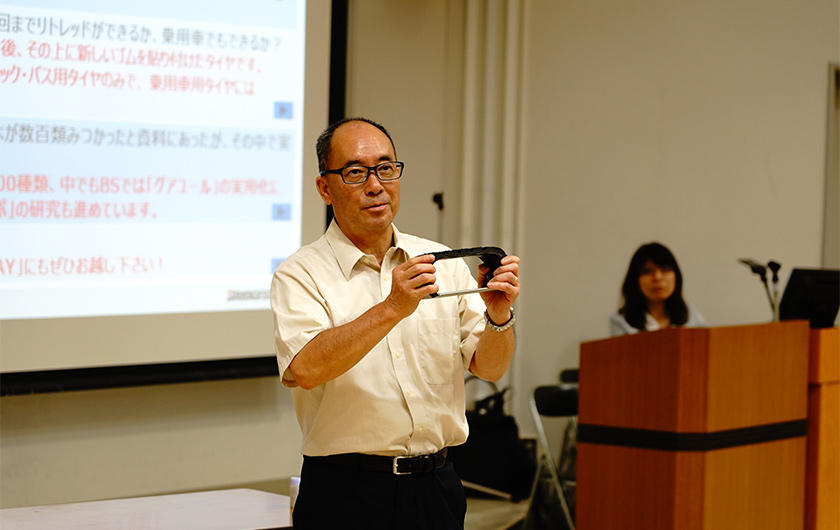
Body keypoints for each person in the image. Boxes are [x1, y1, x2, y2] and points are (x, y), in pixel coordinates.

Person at [270, 117, 520, 530]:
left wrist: (499, 317)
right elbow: (307, 369)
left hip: (436, 486)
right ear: (325, 188)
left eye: (386, 168)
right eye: (355, 172)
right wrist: (392, 308)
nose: (375, 185)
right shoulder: (300, 273)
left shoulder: (440, 261)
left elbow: (490, 368)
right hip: (346, 492)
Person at [609, 242, 706, 336]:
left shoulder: (690, 315)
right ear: (634, 279)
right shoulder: (621, 322)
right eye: (647, 271)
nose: (657, 277)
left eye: (665, 269)